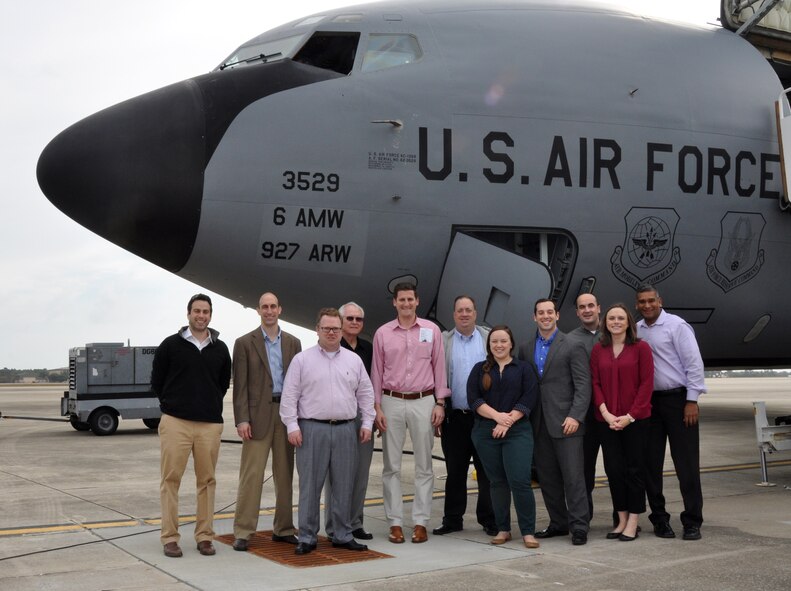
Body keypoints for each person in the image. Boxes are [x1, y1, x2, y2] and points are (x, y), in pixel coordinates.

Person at [280, 308, 375, 555]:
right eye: (326, 328)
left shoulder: (353, 361)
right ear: (317, 330)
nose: (331, 332)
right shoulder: (303, 360)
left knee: (344, 485)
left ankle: (342, 534)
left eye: (335, 328)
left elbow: (366, 393)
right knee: (310, 486)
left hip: (345, 429)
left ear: (342, 330)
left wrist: (367, 423)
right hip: (312, 429)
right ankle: (308, 536)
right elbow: (289, 396)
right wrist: (292, 425)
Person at [151, 293, 231, 558]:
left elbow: (221, 384)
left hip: (209, 425)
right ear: (188, 314)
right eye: (196, 311)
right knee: (170, 480)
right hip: (176, 423)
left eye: (205, 312)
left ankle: (205, 537)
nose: (201, 316)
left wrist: (205, 405)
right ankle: (170, 538)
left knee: (207, 481)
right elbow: (157, 381)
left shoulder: (220, 349)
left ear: (210, 315)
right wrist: (175, 405)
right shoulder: (170, 345)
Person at [371, 282, 449, 544]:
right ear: (394, 303)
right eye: (401, 300)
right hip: (391, 400)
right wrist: (377, 407)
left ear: (417, 301)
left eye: (410, 300)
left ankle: (420, 522)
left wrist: (440, 402)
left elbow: (439, 367)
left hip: (423, 400)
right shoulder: (383, 333)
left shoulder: (431, 330)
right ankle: (394, 523)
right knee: (391, 466)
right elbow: (376, 372)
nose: (406, 304)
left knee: (424, 466)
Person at [231, 292, 301, 551]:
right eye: (264, 307)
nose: (269, 311)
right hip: (256, 417)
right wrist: (242, 420)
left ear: (280, 309)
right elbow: (240, 386)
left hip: (285, 415)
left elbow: (298, 384)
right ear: (258, 310)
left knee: (285, 476)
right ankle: (243, 530)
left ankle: (283, 529)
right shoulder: (244, 343)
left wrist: (296, 419)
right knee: (251, 475)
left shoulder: (293, 343)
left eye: (273, 306)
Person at [636, 284, 705, 541]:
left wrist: (692, 400)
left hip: (678, 401)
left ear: (660, 301)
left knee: (686, 464)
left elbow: (694, 364)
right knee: (650, 465)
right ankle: (660, 519)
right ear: (637, 304)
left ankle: (692, 521)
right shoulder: (637, 329)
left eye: (651, 300)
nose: (647, 305)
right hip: (649, 405)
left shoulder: (677, 326)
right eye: (642, 301)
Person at [518, 298, 591, 545]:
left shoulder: (573, 344)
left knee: (574, 478)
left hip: (567, 422)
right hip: (538, 424)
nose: (546, 316)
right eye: (541, 313)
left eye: (550, 312)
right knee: (548, 479)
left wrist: (575, 416)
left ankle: (579, 526)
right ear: (534, 317)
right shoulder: (526, 348)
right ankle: (558, 523)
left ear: (557, 315)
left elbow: (583, 385)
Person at [468, 325, 540, 549]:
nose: (499, 345)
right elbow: (474, 400)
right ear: (489, 346)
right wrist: (498, 417)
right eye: (494, 342)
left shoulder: (524, 368)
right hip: (485, 432)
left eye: (503, 341)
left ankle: (528, 531)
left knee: (519, 481)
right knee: (497, 482)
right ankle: (503, 529)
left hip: (517, 431)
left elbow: (530, 397)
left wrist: (507, 421)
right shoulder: (480, 369)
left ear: (511, 344)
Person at [434, 295, 497, 536]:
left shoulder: (487, 338)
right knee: (455, 471)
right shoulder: (444, 340)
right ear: (453, 315)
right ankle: (452, 519)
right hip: (455, 417)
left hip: (484, 417)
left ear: (475, 313)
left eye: (468, 310)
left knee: (487, 472)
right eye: (460, 310)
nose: (464, 314)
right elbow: (437, 374)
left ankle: (489, 519)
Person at [590, 304, 654, 541]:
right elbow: (595, 383)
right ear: (605, 322)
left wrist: (629, 417)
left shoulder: (641, 348)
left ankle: (634, 520)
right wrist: (606, 413)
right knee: (614, 471)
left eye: (620, 318)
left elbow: (646, 385)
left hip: (635, 421)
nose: (615, 322)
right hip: (606, 421)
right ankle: (622, 518)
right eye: (611, 318)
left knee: (634, 470)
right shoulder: (599, 350)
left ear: (628, 322)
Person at [324, 301, 374, 541]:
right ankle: (334, 524)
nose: (354, 322)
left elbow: (373, 384)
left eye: (359, 319)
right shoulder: (333, 346)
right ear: (341, 322)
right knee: (336, 474)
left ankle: (355, 522)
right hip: (339, 415)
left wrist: (374, 415)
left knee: (360, 473)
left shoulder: (368, 349)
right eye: (350, 319)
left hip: (362, 415)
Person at [567, 292, 615, 525]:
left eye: (590, 306)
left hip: (611, 412)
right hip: (584, 415)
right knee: (583, 470)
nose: (586, 310)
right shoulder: (570, 340)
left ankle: (622, 516)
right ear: (577, 312)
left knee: (616, 467)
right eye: (582, 307)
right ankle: (583, 519)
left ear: (599, 308)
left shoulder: (613, 335)